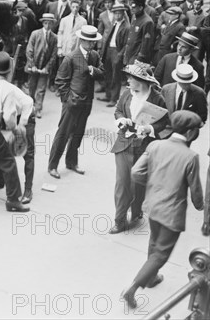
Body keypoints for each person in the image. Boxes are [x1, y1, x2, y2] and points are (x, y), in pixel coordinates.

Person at [121, 111, 204, 309]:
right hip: (172, 213)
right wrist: (201, 206)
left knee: (154, 241)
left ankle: (150, 278)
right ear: (191, 132)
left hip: (153, 204)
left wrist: (153, 185)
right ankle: (134, 287)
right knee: (161, 253)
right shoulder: (191, 156)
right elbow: (196, 193)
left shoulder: (155, 145)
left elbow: (136, 172)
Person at [109, 63, 169, 234]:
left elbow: (164, 120)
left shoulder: (157, 98)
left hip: (145, 146)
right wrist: (122, 120)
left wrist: (149, 129)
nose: (128, 80)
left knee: (139, 181)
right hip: (124, 143)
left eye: (131, 78)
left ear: (141, 81)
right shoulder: (127, 93)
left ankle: (136, 213)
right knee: (122, 183)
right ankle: (119, 220)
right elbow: (118, 110)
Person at [48, 26, 104, 178]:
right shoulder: (71, 57)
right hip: (72, 103)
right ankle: (53, 165)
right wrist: (68, 99)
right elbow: (60, 81)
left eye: (93, 41)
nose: (92, 44)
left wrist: (93, 70)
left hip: (86, 103)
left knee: (77, 134)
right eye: (89, 41)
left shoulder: (95, 56)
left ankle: (71, 162)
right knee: (63, 134)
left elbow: (102, 73)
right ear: (82, 40)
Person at [0, 53, 32, 211]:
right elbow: (9, 118)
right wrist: (16, 129)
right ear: (9, 71)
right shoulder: (8, 89)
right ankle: (13, 200)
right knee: (9, 162)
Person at [26, 13, 57, 118]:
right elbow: (29, 50)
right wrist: (32, 64)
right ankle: (30, 107)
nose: (47, 26)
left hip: (44, 68)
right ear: (42, 23)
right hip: (34, 66)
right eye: (45, 23)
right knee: (31, 88)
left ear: (52, 24)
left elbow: (53, 55)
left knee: (41, 89)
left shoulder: (54, 38)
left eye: (49, 23)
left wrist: (47, 67)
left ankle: (38, 109)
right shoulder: (35, 34)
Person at [99, 4, 130, 107]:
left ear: (123, 13)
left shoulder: (126, 26)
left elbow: (126, 44)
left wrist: (120, 55)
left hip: (117, 51)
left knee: (115, 76)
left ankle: (114, 98)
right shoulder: (114, 23)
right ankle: (108, 95)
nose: (117, 15)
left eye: (119, 13)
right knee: (107, 73)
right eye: (115, 13)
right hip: (108, 50)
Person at [124, 0, 155, 65]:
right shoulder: (134, 16)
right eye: (131, 6)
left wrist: (140, 58)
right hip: (130, 54)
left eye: (134, 7)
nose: (131, 8)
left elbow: (147, 43)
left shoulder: (147, 21)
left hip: (137, 57)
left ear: (141, 7)